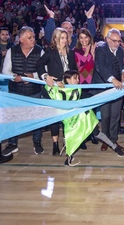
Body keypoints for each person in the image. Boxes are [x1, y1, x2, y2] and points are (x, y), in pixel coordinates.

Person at [45, 70, 124, 166]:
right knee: (70, 137)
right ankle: (69, 156)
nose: (78, 80)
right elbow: (51, 90)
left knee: (97, 133)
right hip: (71, 120)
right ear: (68, 80)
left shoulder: (78, 88)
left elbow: (73, 92)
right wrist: (52, 83)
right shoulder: (59, 89)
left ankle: (114, 146)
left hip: (83, 116)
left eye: (78, 78)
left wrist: (60, 85)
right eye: (75, 78)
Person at [1, 27, 45, 156]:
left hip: (34, 91)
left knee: (36, 118)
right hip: (16, 91)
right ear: (21, 39)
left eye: (33, 37)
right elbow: (5, 72)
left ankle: (37, 142)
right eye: (30, 37)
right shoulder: (11, 51)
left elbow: (44, 70)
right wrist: (16, 78)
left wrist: (33, 77)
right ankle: (12, 144)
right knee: (13, 118)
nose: (33, 40)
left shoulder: (39, 51)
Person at [37, 27, 77, 155]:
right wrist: (45, 76)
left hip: (67, 90)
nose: (64, 40)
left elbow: (74, 70)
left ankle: (67, 141)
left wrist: (73, 81)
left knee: (68, 117)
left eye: (66, 38)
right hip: (53, 90)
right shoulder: (50, 51)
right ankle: (55, 143)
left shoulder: (71, 53)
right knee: (55, 118)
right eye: (62, 38)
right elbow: (39, 64)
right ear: (55, 39)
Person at [91, 28, 124, 152]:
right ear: (107, 40)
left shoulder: (121, 50)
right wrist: (113, 80)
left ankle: (113, 140)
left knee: (116, 115)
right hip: (104, 87)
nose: (117, 43)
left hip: (117, 88)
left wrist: (123, 72)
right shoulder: (101, 50)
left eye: (119, 41)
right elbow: (100, 67)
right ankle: (105, 140)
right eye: (114, 41)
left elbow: (122, 64)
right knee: (105, 115)